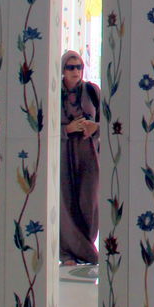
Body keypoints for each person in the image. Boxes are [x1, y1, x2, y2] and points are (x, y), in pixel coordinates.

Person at [59, 50, 100, 265]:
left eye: (78, 67)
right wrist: (67, 129)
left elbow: (109, 123)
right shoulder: (55, 92)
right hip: (64, 155)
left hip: (88, 155)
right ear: (63, 70)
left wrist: (94, 127)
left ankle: (86, 246)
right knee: (66, 202)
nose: (75, 71)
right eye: (70, 67)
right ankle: (67, 253)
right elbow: (43, 127)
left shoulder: (92, 91)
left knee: (89, 202)